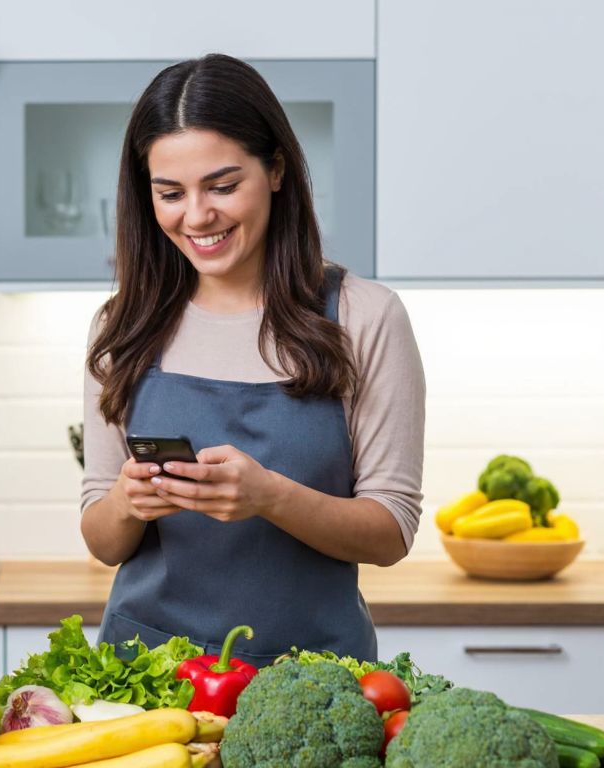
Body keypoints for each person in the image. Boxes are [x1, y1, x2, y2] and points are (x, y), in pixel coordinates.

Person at [81, 54, 425, 665]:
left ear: (276, 170)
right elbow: (102, 540)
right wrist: (126, 503)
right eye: (170, 193)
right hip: (147, 679)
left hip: (311, 684)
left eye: (222, 185)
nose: (197, 216)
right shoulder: (122, 326)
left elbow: (392, 530)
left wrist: (268, 496)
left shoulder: (365, 317)